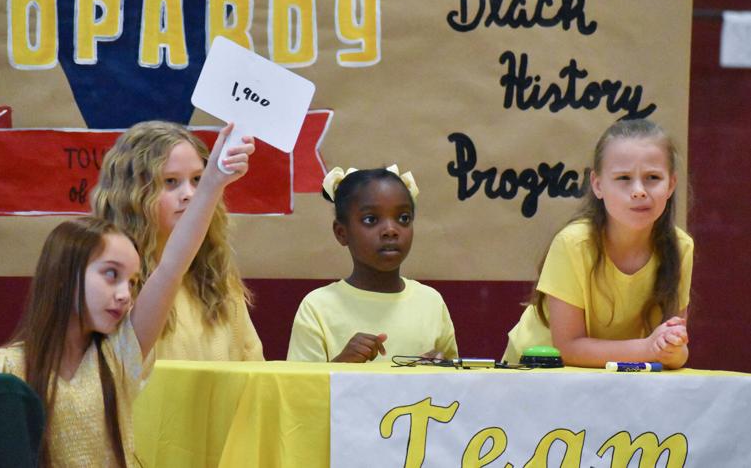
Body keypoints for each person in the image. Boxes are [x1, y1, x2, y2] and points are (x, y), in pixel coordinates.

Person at [0, 124, 254, 466]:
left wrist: (214, 183)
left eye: (134, 281)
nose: (125, 294)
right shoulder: (5, 367)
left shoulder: (119, 357)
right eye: (111, 275)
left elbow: (171, 267)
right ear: (64, 277)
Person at [502, 119, 693, 369]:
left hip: (616, 376)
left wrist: (672, 349)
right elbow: (568, 348)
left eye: (653, 177)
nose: (638, 190)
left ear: (671, 185)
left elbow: (676, 350)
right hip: (537, 376)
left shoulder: (681, 246)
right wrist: (648, 348)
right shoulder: (573, 243)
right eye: (623, 177)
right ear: (598, 185)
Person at [92, 121, 263, 361]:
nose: (189, 195)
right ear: (130, 196)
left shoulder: (219, 281)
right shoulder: (110, 283)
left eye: (197, 180)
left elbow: (253, 370)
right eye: (171, 182)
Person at [287, 165, 458, 362]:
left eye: (403, 218)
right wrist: (342, 364)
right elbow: (300, 389)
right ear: (341, 233)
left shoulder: (431, 302)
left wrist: (442, 368)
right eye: (371, 219)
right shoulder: (317, 307)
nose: (391, 230)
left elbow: (456, 385)